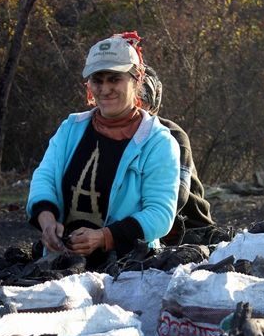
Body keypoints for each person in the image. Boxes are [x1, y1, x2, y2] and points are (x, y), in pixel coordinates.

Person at [26, 32, 180, 266]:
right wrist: (47, 221)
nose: (105, 89)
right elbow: (44, 177)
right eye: (98, 80)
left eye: (115, 79)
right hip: (63, 261)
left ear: (136, 79)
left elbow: (160, 214)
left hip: (129, 266)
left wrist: (103, 238)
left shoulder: (158, 142)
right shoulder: (71, 129)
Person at [140, 65, 214, 244]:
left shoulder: (171, 135)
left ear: (153, 103)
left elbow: (176, 198)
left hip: (187, 227)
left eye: (141, 99)